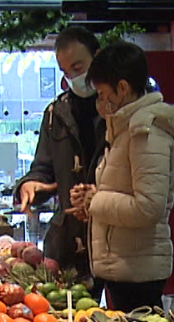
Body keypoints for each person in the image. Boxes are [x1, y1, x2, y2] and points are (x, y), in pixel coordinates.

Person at [67, 42, 174, 313]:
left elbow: (148, 207)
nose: (99, 102)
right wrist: (91, 199)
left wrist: (96, 201)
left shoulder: (147, 134)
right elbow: (120, 189)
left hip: (137, 272)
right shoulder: (123, 130)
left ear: (122, 88)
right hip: (122, 266)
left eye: (101, 94)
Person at [13, 26, 107, 283]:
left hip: (115, 237)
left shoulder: (117, 111)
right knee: (68, 316)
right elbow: (42, 168)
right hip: (67, 242)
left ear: (97, 58)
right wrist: (30, 184)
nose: (74, 78)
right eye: (66, 72)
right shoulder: (56, 114)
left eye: (79, 68)